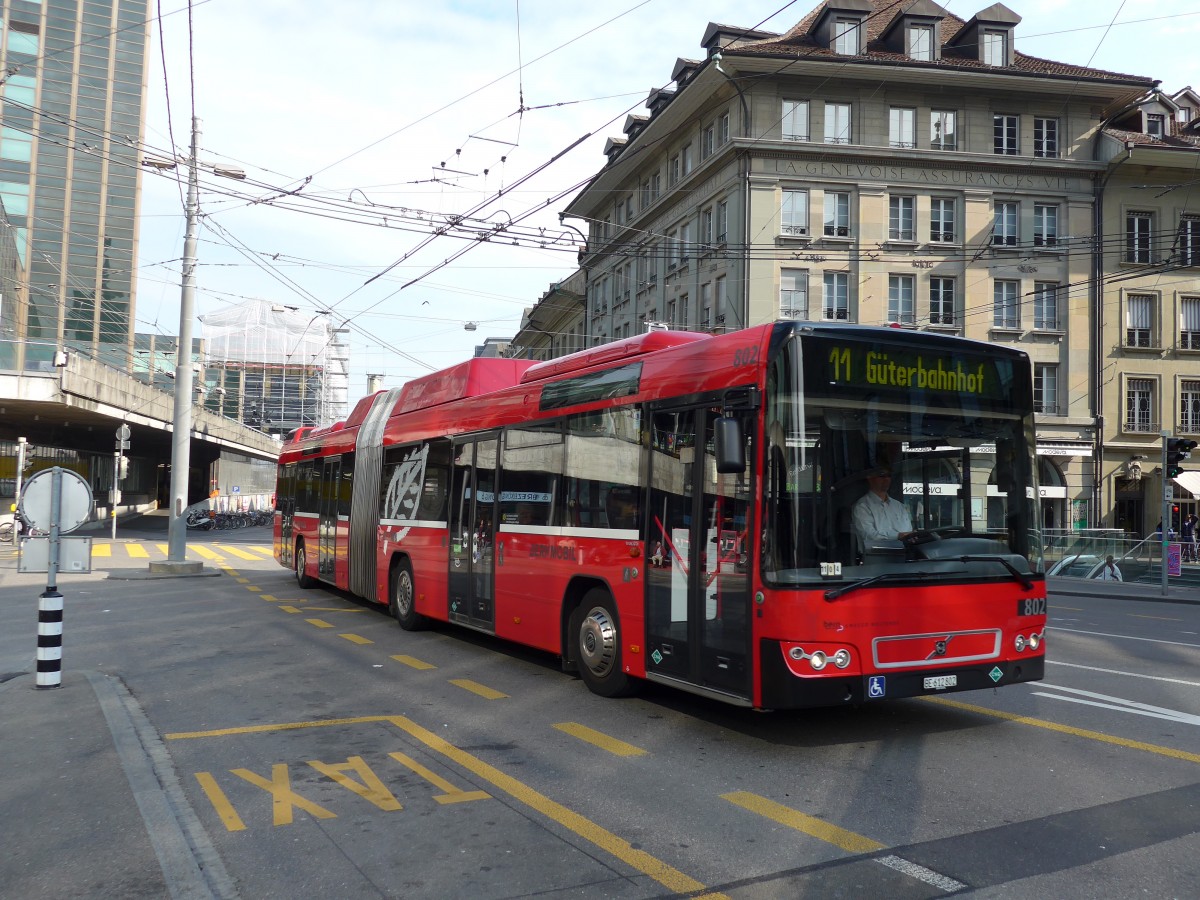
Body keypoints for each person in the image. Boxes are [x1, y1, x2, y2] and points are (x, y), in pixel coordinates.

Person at [852, 465, 914, 546]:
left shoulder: (899, 506)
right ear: (870, 478)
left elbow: (908, 531)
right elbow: (868, 536)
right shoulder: (862, 506)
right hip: (877, 555)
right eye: (882, 475)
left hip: (905, 553)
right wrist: (898, 536)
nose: (886, 479)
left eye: (889, 476)